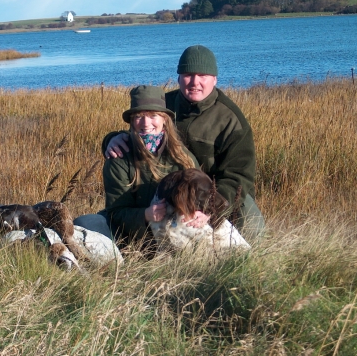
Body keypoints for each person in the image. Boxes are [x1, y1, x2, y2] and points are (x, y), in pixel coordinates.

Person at [103, 45, 265, 241]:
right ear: (178, 77)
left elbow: (237, 177)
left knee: (252, 230)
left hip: (217, 192)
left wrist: (210, 208)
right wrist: (112, 138)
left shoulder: (231, 120)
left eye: (202, 75)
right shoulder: (165, 104)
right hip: (175, 189)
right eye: (188, 75)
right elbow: (141, 127)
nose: (194, 82)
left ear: (214, 79)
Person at [74, 85, 209, 246]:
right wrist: (145, 215)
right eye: (139, 116)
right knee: (86, 223)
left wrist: (205, 214)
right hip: (129, 233)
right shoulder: (118, 157)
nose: (145, 123)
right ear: (131, 121)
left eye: (153, 115)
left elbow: (204, 193)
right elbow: (116, 212)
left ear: (164, 119)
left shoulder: (182, 156)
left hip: (172, 229)